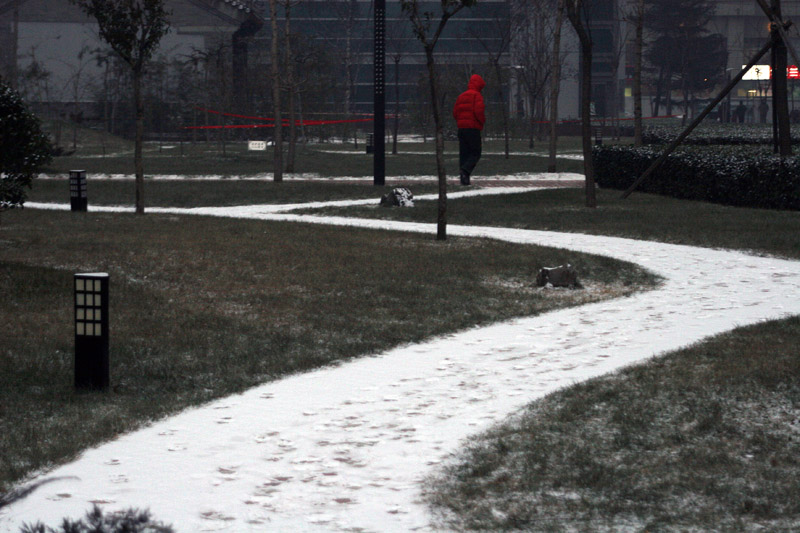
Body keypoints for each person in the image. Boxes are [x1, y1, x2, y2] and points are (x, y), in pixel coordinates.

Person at [452, 74, 486, 185]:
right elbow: (479, 112)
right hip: (473, 128)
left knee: (464, 153)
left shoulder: (461, 96)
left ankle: (464, 179)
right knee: (476, 152)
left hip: (461, 129)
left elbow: (455, 112)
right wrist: (482, 122)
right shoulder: (477, 96)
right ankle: (465, 171)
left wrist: (460, 122)